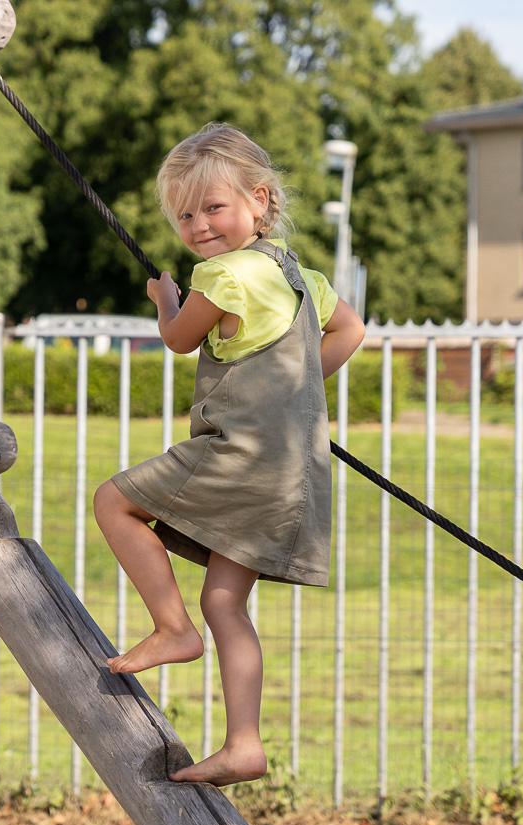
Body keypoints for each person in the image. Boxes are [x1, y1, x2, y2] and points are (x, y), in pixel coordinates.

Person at [93, 122, 366, 787]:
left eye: (212, 207)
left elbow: (181, 339)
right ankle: (244, 743)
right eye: (184, 213)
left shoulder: (221, 275)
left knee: (114, 501)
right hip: (289, 471)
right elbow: (351, 329)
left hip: (240, 458)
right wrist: (295, 395)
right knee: (227, 603)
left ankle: (169, 628)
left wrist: (165, 300)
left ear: (260, 201)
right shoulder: (300, 276)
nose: (197, 224)